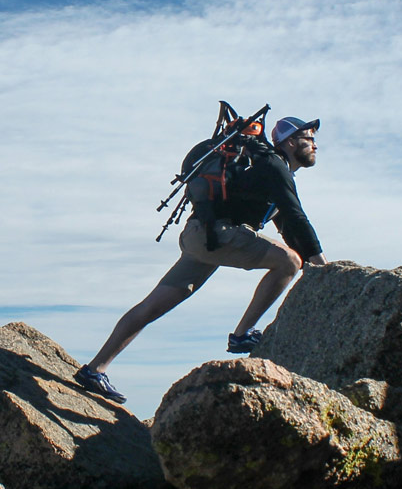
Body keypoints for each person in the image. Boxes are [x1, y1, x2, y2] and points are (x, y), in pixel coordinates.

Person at [74, 115, 328, 403]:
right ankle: (242, 334)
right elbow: (296, 217)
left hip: (201, 236)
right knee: (289, 262)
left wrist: (316, 267)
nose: (315, 145)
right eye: (310, 138)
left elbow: (290, 227)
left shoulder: (271, 169)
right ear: (290, 141)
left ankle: (95, 369)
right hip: (214, 235)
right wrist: (323, 268)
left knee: (151, 306)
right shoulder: (273, 166)